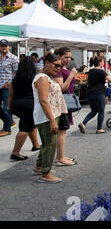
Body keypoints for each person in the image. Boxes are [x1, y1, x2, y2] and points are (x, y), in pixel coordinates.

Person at [32, 53, 67, 183]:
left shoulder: (46, 77)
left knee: (46, 143)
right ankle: (45, 174)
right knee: (50, 144)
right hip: (46, 116)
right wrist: (52, 120)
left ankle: (39, 166)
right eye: (56, 65)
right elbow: (43, 101)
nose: (58, 68)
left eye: (60, 66)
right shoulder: (42, 78)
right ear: (46, 62)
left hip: (49, 114)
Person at [8, 56, 40, 161]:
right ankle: (15, 152)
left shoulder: (15, 78)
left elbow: (11, 94)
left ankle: (36, 145)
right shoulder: (34, 78)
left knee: (31, 125)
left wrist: (9, 106)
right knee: (24, 128)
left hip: (17, 104)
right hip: (29, 105)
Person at [78, 56, 111, 134]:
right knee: (101, 111)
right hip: (99, 93)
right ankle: (99, 128)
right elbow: (109, 79)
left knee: (93, 111)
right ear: (100, 62)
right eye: (102, 61)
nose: (103, 63)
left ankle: (83, 123)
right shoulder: (101, 71)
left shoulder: (90, 71)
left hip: (90, 93)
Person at [54, 47, 78, 166]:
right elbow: (61, 88)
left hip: (65, 103)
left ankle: (61, 155)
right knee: (62, 131)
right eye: (66, 57)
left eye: (70, 57)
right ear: (58, 56)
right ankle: (60, 158)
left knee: (63, 130)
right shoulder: (58, 70)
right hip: (61, 104)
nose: (68, 60)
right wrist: (71, 75)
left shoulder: (63, 69)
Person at [0, 39, 19, 137]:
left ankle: (7, 129)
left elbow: (17, 73)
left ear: (8, 47)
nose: (3, 47)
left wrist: (10, 82)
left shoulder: (13, 58)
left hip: (7, 87)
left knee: (6, 107)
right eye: (2, 45)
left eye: (5, 45)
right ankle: (10, 121)